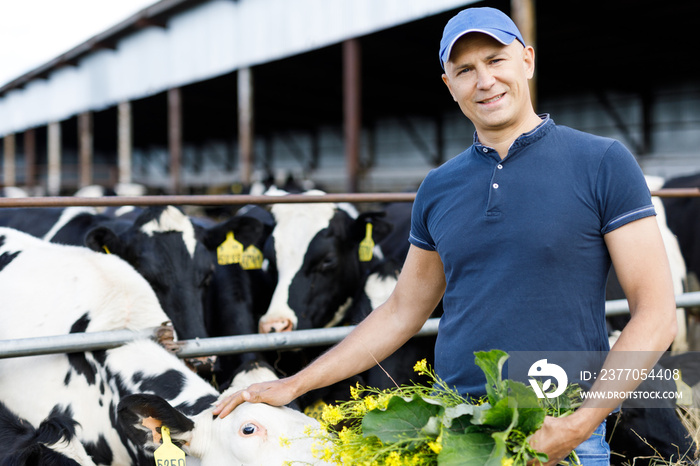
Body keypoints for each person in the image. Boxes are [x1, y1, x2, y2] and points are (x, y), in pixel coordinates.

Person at [214, 7, 676, 465]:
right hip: (453, 431)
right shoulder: (438, 187)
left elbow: (656, 313)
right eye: (465, 70)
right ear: (449, 86)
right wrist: (295, 384)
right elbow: (401, 312)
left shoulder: (602, 162)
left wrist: (577, 425)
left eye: (496, 60)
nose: (485, 81)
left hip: (561, 430)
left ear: (527, 61)